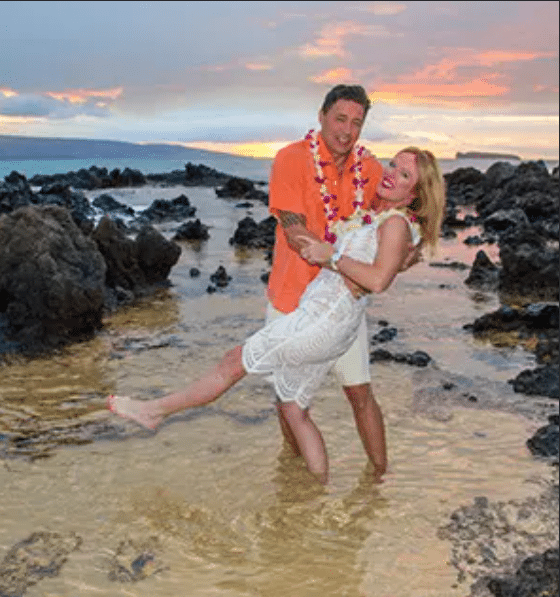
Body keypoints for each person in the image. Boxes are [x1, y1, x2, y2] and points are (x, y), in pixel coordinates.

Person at [107, 146, 446, 484]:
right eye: (392, 165)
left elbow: (378, 280)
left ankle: (153, 412)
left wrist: (332, 256)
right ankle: (314, 493)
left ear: (415, 192)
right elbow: (394, 262)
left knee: (233, 364)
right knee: (293, 409)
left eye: (404, 175)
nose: (389, 174)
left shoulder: (396, 224)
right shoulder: (389, 220)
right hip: (331, 320)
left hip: (321, 321)